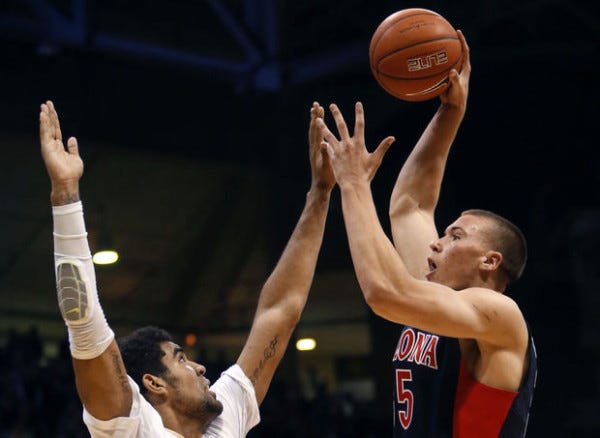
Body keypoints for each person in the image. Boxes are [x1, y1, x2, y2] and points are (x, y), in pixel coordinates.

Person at [39, 99, 335, 437]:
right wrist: (65, 194)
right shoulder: (131, 429)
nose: (200, 367)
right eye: (180, 360)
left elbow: (280, 310)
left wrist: (321, 194)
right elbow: (82, 317)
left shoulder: (223, 423)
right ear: (153, 383)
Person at [317, 30, 536, 437]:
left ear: (490, 260)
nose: (437, 241)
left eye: (455, 236)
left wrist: (354, 186)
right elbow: (410, 205)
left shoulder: (498, 315)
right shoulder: (436, 294)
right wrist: (450, 112)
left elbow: (385, 293)